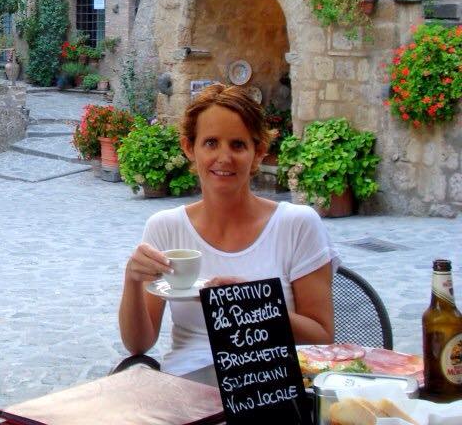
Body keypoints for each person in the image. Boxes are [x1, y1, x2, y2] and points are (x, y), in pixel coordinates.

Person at [118, 83, 337, 375]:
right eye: (211, 143)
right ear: (189, 148)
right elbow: (139, 345)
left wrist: (256, 304)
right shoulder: (165, 228)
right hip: (186, 388)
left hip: (266, 386)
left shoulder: (296, 225)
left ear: (258, 152)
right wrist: (133, 280)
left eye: (238, 144)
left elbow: (321, 336)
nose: (224, 157)